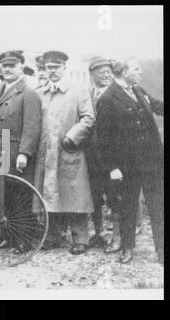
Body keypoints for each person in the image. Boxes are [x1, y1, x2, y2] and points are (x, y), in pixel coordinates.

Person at [96, 57, 163, 264]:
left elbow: (159, 107)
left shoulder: (139, 91)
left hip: (151, 162)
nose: (140, 72)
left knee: (157, 207)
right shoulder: (107, 98)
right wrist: (112, 167)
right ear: (124, 72)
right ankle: (128, 248)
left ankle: (161, 250)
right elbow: (103, 139)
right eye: (136, 69)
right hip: (126, 166)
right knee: (128, 208)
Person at [33, 50, 95, 255]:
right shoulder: (39, 93)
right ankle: (53, 236)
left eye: (56, 67)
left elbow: (88, 118)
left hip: (69, 151)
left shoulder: (78, 91)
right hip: (46, 153)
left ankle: (80, 238)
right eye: (48, 68)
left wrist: (72, 137)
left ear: (64, 68)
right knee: (50, 193)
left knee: (75, 194)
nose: (52, 71)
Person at [0, 50, 42, 252]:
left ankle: (24, 240)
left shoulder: (28, 93)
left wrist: (24, 153)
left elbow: (32, 126)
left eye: (12, 66)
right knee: (3, 194)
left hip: (15, 151)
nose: (8, 69)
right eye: (5, 66)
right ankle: (8, 236)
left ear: (21, 68)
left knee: (20, 195)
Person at [85, 57, 113, 249]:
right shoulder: (87, 94)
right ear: (92, 74)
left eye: (108, 71)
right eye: (101, 72)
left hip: (112, 156)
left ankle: (118, 236)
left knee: (115, 195)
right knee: (94, 196)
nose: (106, 74)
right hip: (91, 156)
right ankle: (98, 231)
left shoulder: (116, 94)